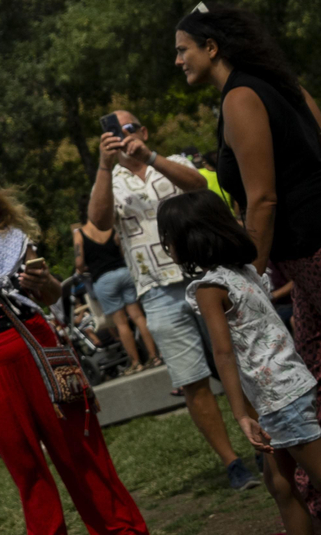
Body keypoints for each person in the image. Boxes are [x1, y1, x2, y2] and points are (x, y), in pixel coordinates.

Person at [178, 4, 321, 532]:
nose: (177, 60)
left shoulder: (241, 95)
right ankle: (318, 510)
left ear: (212, 47)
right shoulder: (281, 85)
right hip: (317, 255)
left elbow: (262, 199)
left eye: (182, 48)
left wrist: (250, 278)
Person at [160, 189, 321, 533]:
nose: (166, 245)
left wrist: (240, 414)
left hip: (278, 399)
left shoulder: (209, 288)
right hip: (291, 385)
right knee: (279, 483)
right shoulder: (243, 271)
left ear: (185, 239)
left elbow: (224, 353)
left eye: (166, 237)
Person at [0, 173, 147, 534]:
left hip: (40, 353)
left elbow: (54, 295)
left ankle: (122, 530)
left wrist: (43, 283)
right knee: (27, 470)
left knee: (80, 453)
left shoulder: (13, 242)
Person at [89, 107, 255, 490]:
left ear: (143, 131)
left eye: (129, 128)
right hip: (156, 292)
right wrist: (103, 164)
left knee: (239, 360)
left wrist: (148, 157)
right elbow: (98, 223)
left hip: (205, 276)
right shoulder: (109, 179)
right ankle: (233, 463)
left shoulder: (171, 162)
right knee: (192, 379)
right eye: (116, 132)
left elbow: (198, 185)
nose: (124, 135)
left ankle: (263, 443)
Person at [71, 218, 159, 373]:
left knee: (121, 324)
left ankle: (135, 362)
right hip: (124, 272)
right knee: (138, 317)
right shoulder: (110, 227)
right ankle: (154, 356)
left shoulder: (80, 233)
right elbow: (122, 249)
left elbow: (79, 263)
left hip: (103, 280)